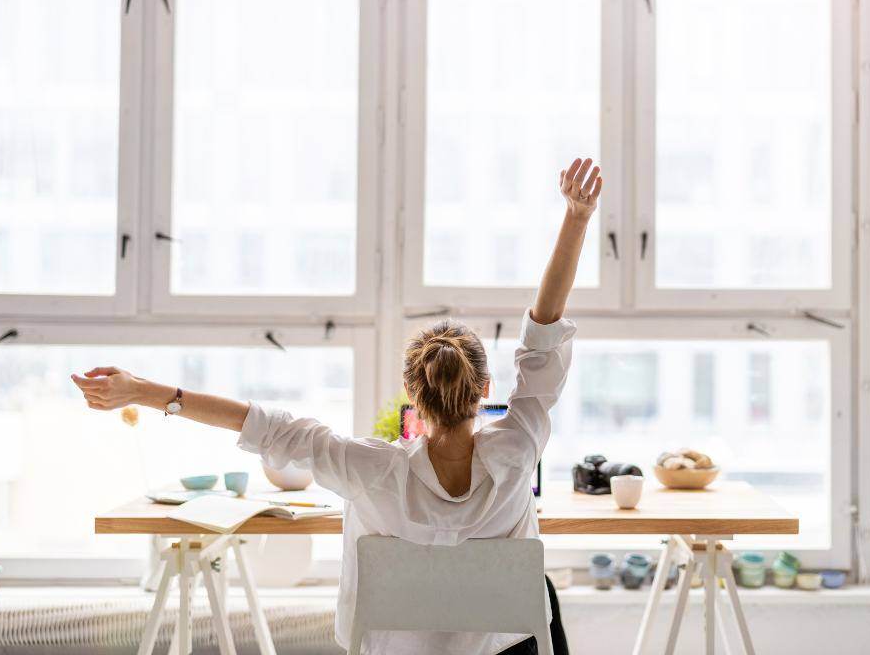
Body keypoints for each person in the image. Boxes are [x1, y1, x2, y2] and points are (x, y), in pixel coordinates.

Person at [71, 157, 603, 655]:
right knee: (542, 591)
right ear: (483, 390)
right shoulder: (519, 446)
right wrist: (577, 218)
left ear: (412, 395)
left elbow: (265, 426)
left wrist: (142, 390)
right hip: (499, 653)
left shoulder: (372, 469)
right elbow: (543, 341)